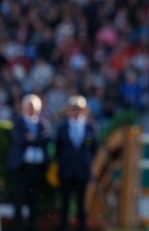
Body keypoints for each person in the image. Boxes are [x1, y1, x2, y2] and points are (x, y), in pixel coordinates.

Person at [6, 93, 51, 231]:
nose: (31, 109)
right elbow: (20, 140)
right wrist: (33, 140)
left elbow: (45, 140)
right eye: (29, 106)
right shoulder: (18, 121)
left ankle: (32, 226)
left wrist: (32, 139)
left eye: (34, 106)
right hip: (21, 167)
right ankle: (18, 226)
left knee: (34, 199)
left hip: (37, 167)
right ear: (24, 107)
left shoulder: (42, 123)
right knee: (19, 198)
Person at [54, 95, 99, 231]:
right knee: (65, 201)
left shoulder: (90, 127)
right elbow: (58, 148)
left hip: (82, 169)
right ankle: (64, 226)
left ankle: (81, 227)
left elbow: (94, 149)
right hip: (67, 169)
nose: (75, 112)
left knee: (82, 201)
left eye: (78, 109)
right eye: (73, 109)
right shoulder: (62, 127)